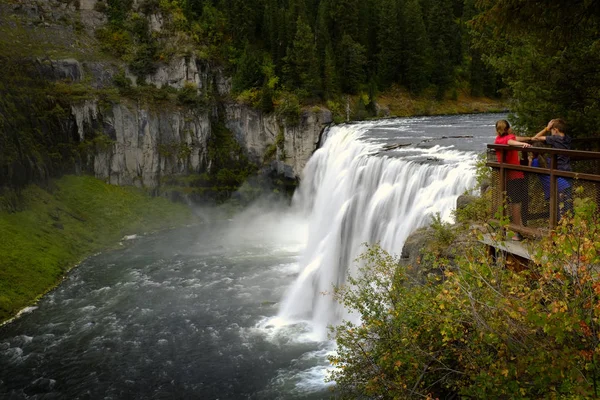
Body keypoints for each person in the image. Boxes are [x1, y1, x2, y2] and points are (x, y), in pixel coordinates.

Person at [494, 119, 531, 241]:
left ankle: (510, 229)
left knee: (509, 202)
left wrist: (528, 139)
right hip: (515, 175)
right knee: (516, 203)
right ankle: (517, 231)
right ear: (508, 129)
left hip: (505, 175)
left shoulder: (497, 140)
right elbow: (511, 141)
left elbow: (516, 139)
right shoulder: (508, 139)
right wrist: (523, 145)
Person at [531, 119, 573, 218]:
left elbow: (534, 138)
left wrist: (546, 128)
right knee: (568, 200)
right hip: (568, 169)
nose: (551, 132)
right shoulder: (568, 138)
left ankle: (559, 223)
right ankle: (569, 224)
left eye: (551, 130)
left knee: (559, 201)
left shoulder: (554, 139)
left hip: (558, 171)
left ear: (556, 130)